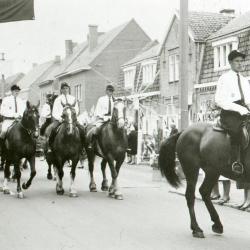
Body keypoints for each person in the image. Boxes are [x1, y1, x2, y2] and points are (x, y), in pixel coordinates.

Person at [214, 50, 250, 175]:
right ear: (230, 62)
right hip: (230, 113)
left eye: (241, 61)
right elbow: (219, 100)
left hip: (245, 111)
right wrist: (239, 109)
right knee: (237, 130)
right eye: (237, 61)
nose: (240, 64)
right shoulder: (224, 78)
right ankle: (236, 162)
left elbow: (248, 100)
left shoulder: (244, 80)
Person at [47, 82, 82, 152]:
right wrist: (59, 118)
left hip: (71, 119)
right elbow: (54, 112)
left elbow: (77, 110)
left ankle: (83, 148)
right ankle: (50, 147)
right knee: (52, 129)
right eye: (63, 89)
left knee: (82, 129)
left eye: (67, 88)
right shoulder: (58, 99)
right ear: (61, 90)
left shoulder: (73, 98)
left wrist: (73, 116)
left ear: (69, 89)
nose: (65, 90)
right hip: (61, 120)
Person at [88, 84, 115, 149]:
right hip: (102, 119)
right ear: (106, 91)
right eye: (109, 91)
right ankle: (92, 143)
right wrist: (103, 117)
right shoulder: (101, 99)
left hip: (112, 120)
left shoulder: (114, 100)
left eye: (112, 91)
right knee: (96, 129)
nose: (110, 93)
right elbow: (97, 111)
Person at [0, 84, 26, 151]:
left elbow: (23, 110)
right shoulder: (6, 100)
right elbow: (2, 111)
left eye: (18, 91)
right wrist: (13, 115)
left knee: (27, 131)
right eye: (15, 91)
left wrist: (20, 115)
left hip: (19, 121)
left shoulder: (20, 100)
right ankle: (2, 150)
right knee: (3, 131)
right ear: (12, 91)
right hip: (8, 120)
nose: (17, 92)